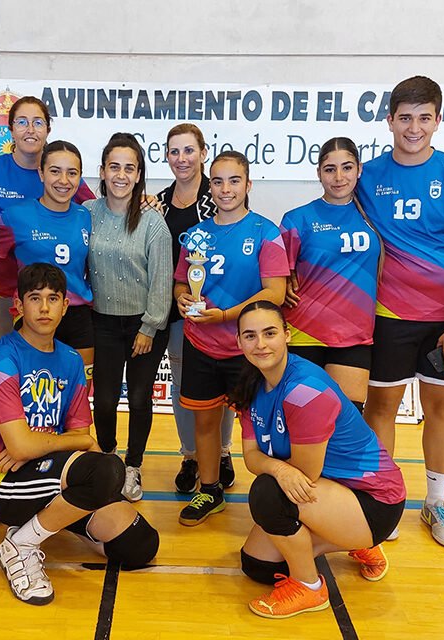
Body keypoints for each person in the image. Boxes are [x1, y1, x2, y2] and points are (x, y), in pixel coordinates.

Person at [0, 263, 160, 605]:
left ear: (65, 306)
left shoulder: (71, 360)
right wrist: (65, 443)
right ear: (18, 303)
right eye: (35, 298)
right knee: (106, 469)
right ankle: (22, 544)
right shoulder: (2, 359)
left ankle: (50, 523)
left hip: (48, 471)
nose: (44, 308)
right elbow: (21, 445)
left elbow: (78, 434)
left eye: (53, 298)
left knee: (140, 544)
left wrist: (49, 444)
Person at [356, 76, 444, 548]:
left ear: (438, 121)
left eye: (424, 118)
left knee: (441, 407)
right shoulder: (366, 176)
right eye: (405, 118)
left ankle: (436, 503)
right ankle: (383, 499)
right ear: (389, 120)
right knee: (381, 408)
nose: (414, 128)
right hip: (387, 316)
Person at [230, 301, 406, 619]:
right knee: (257, 565)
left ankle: (309, 587)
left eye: (270, 333)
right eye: (250, 336)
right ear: (239, 342)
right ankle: (346, 540)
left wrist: (276, 471)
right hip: (328, 494)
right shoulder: (251, 384)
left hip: (373, 502)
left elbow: (304, 476)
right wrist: (276, 467)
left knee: (269, 494)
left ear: (287, 335)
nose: (260, 344)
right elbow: (252, 457)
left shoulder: (304, 389)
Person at [173, 150, 289, 526]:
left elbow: (274, 292)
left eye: (234, 180)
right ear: (210, 186)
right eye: (218, 181)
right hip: (200, 344)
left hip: (248, 351)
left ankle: (271, 498)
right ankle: (210, 490)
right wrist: (181, 300)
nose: (226, 189)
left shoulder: (265, 232)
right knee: (205, 424)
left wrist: (224, 316)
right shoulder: (197, 235)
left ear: (248, 184)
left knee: (258, 426)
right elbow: (180, 282)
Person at [0, 95, 95, 342]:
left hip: (56, 297)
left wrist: (141, 201)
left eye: (38, 122)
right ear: (10, 129)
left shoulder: (62, 173)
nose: (30, 129)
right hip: (2, 290)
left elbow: (100, 208)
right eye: (22, 122)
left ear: (48, 129)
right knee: (10, 364)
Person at [87, 133, 173, 501]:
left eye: (130, 168)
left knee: (139, 398)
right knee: (104, 401)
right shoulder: (87, 213)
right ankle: (108, 458)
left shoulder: (153, 221)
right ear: (103, 171)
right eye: (114, 167)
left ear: (139, 174)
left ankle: (133, 466)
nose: (121, 175)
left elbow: (162, 279)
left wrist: (150, 327)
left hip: (144, 325)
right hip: (102, 323)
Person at [156, 123, 236, 495]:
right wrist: (177, 295)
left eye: (189, 150)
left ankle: (221, 453)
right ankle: (190, 455)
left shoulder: (221, 197)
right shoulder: (156, 203)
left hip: (222, 314)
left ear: (203, 153)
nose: (182, 158)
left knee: (223, 389)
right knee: (184, 386)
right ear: (166, 156)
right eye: (175, 151)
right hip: (177, 310)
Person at [279, 137, 381, 410]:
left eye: (347, 168)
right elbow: (278, 277)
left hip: (354, 334)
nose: (338, 177)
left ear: (359, 169)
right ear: (318, 173)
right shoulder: (296, 219)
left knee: (347, 425)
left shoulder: (374, 216)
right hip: (303, 333)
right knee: (303, 421)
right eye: (329, 169)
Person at [0, 141, 95, 376]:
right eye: (55, 171)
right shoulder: (14, 217)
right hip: (34, 312)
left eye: (72, 173)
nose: (63, 181)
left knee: (78, 395)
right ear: (41, 173)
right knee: (35, 391)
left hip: (77, 315)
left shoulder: (87, 215)